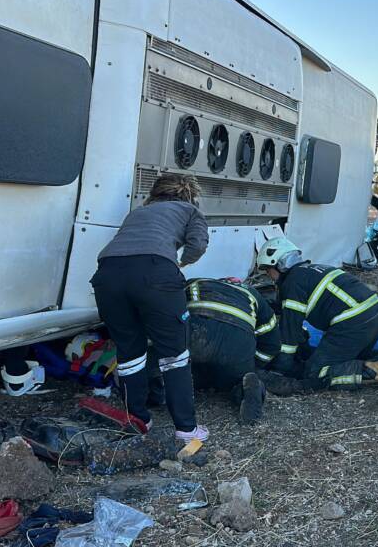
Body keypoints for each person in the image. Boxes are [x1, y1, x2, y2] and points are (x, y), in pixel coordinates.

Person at [90, 174, 210, 442]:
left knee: (130, 352)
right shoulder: (190, 211)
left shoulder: (138, 213)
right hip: (156, 275)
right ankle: (186, 429)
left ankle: (138, 420)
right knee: (174, 353)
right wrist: (179, 264)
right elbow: (197, 245)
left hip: (107, 276)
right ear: (190, 195)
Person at [256, 237, 378, 393]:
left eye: (267, 270)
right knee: (347, 358)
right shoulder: (311, 271)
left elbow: (289, 333)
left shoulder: (292, 283)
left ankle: (371, 371)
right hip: (376, 315)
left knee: (315, 373)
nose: (269, 276)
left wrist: (280, 369)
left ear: (279, 264)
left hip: (353, 323)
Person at [183, 277, 275, 424]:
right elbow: (272, 341)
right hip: (237, 343)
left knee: (185, 371)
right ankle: (244, 388)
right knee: (234, 379)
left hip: (198, 333)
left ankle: (172, 387)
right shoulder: (252, 293)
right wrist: (254, 365)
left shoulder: (194, 282)